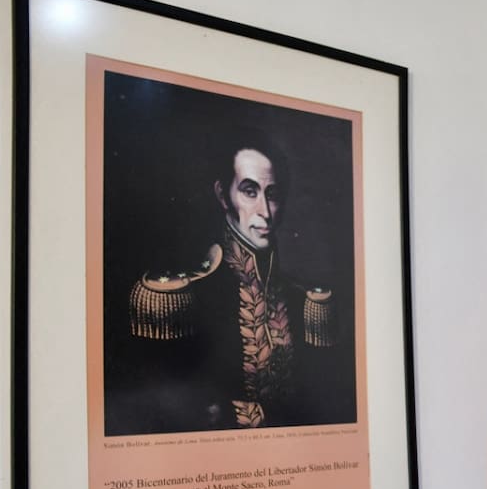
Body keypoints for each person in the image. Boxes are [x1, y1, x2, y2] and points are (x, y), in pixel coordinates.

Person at [105, 129, 355, 435]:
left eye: (272, 195)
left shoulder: (307, 303)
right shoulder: (178, 299)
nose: (265, 212)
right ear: (224, 196)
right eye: (250, 192)